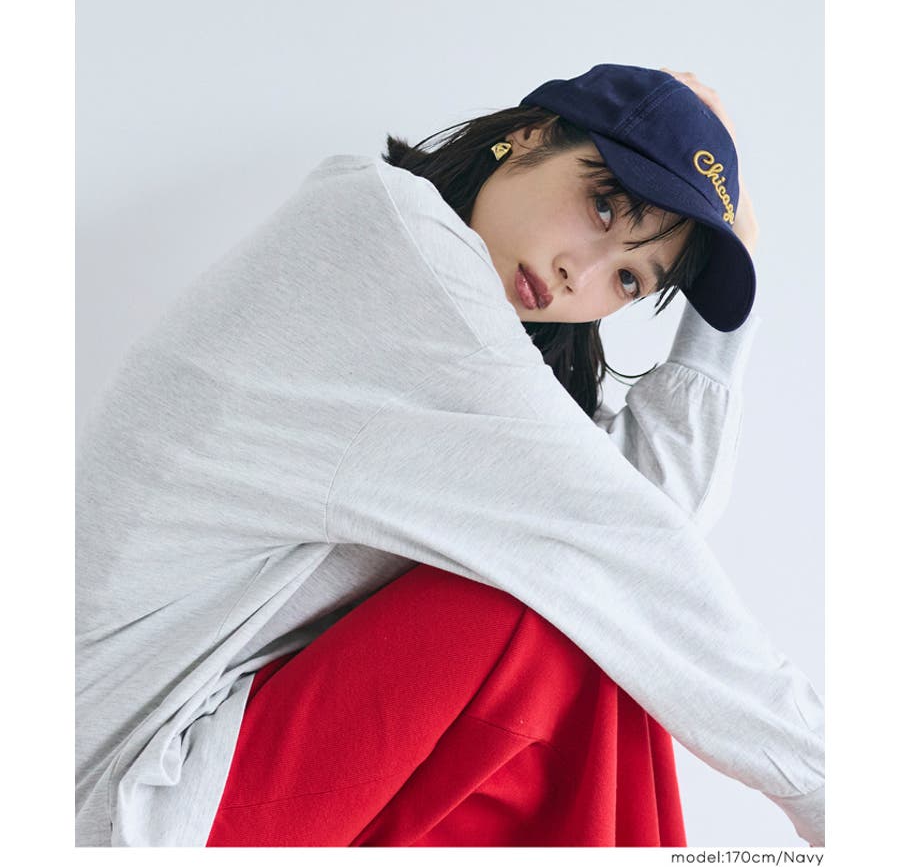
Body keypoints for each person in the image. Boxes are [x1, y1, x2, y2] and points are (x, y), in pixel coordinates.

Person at [75, 64, 824, 847]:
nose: (581, 275)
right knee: (555, 607)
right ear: (529, 136)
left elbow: (647, 529)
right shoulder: (396, 253)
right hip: (132, 798)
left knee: (581, 598)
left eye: (630, 279)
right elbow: (634, 551)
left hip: (177, 776)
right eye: (602, 207)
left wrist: (727, 297)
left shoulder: (451, 314)